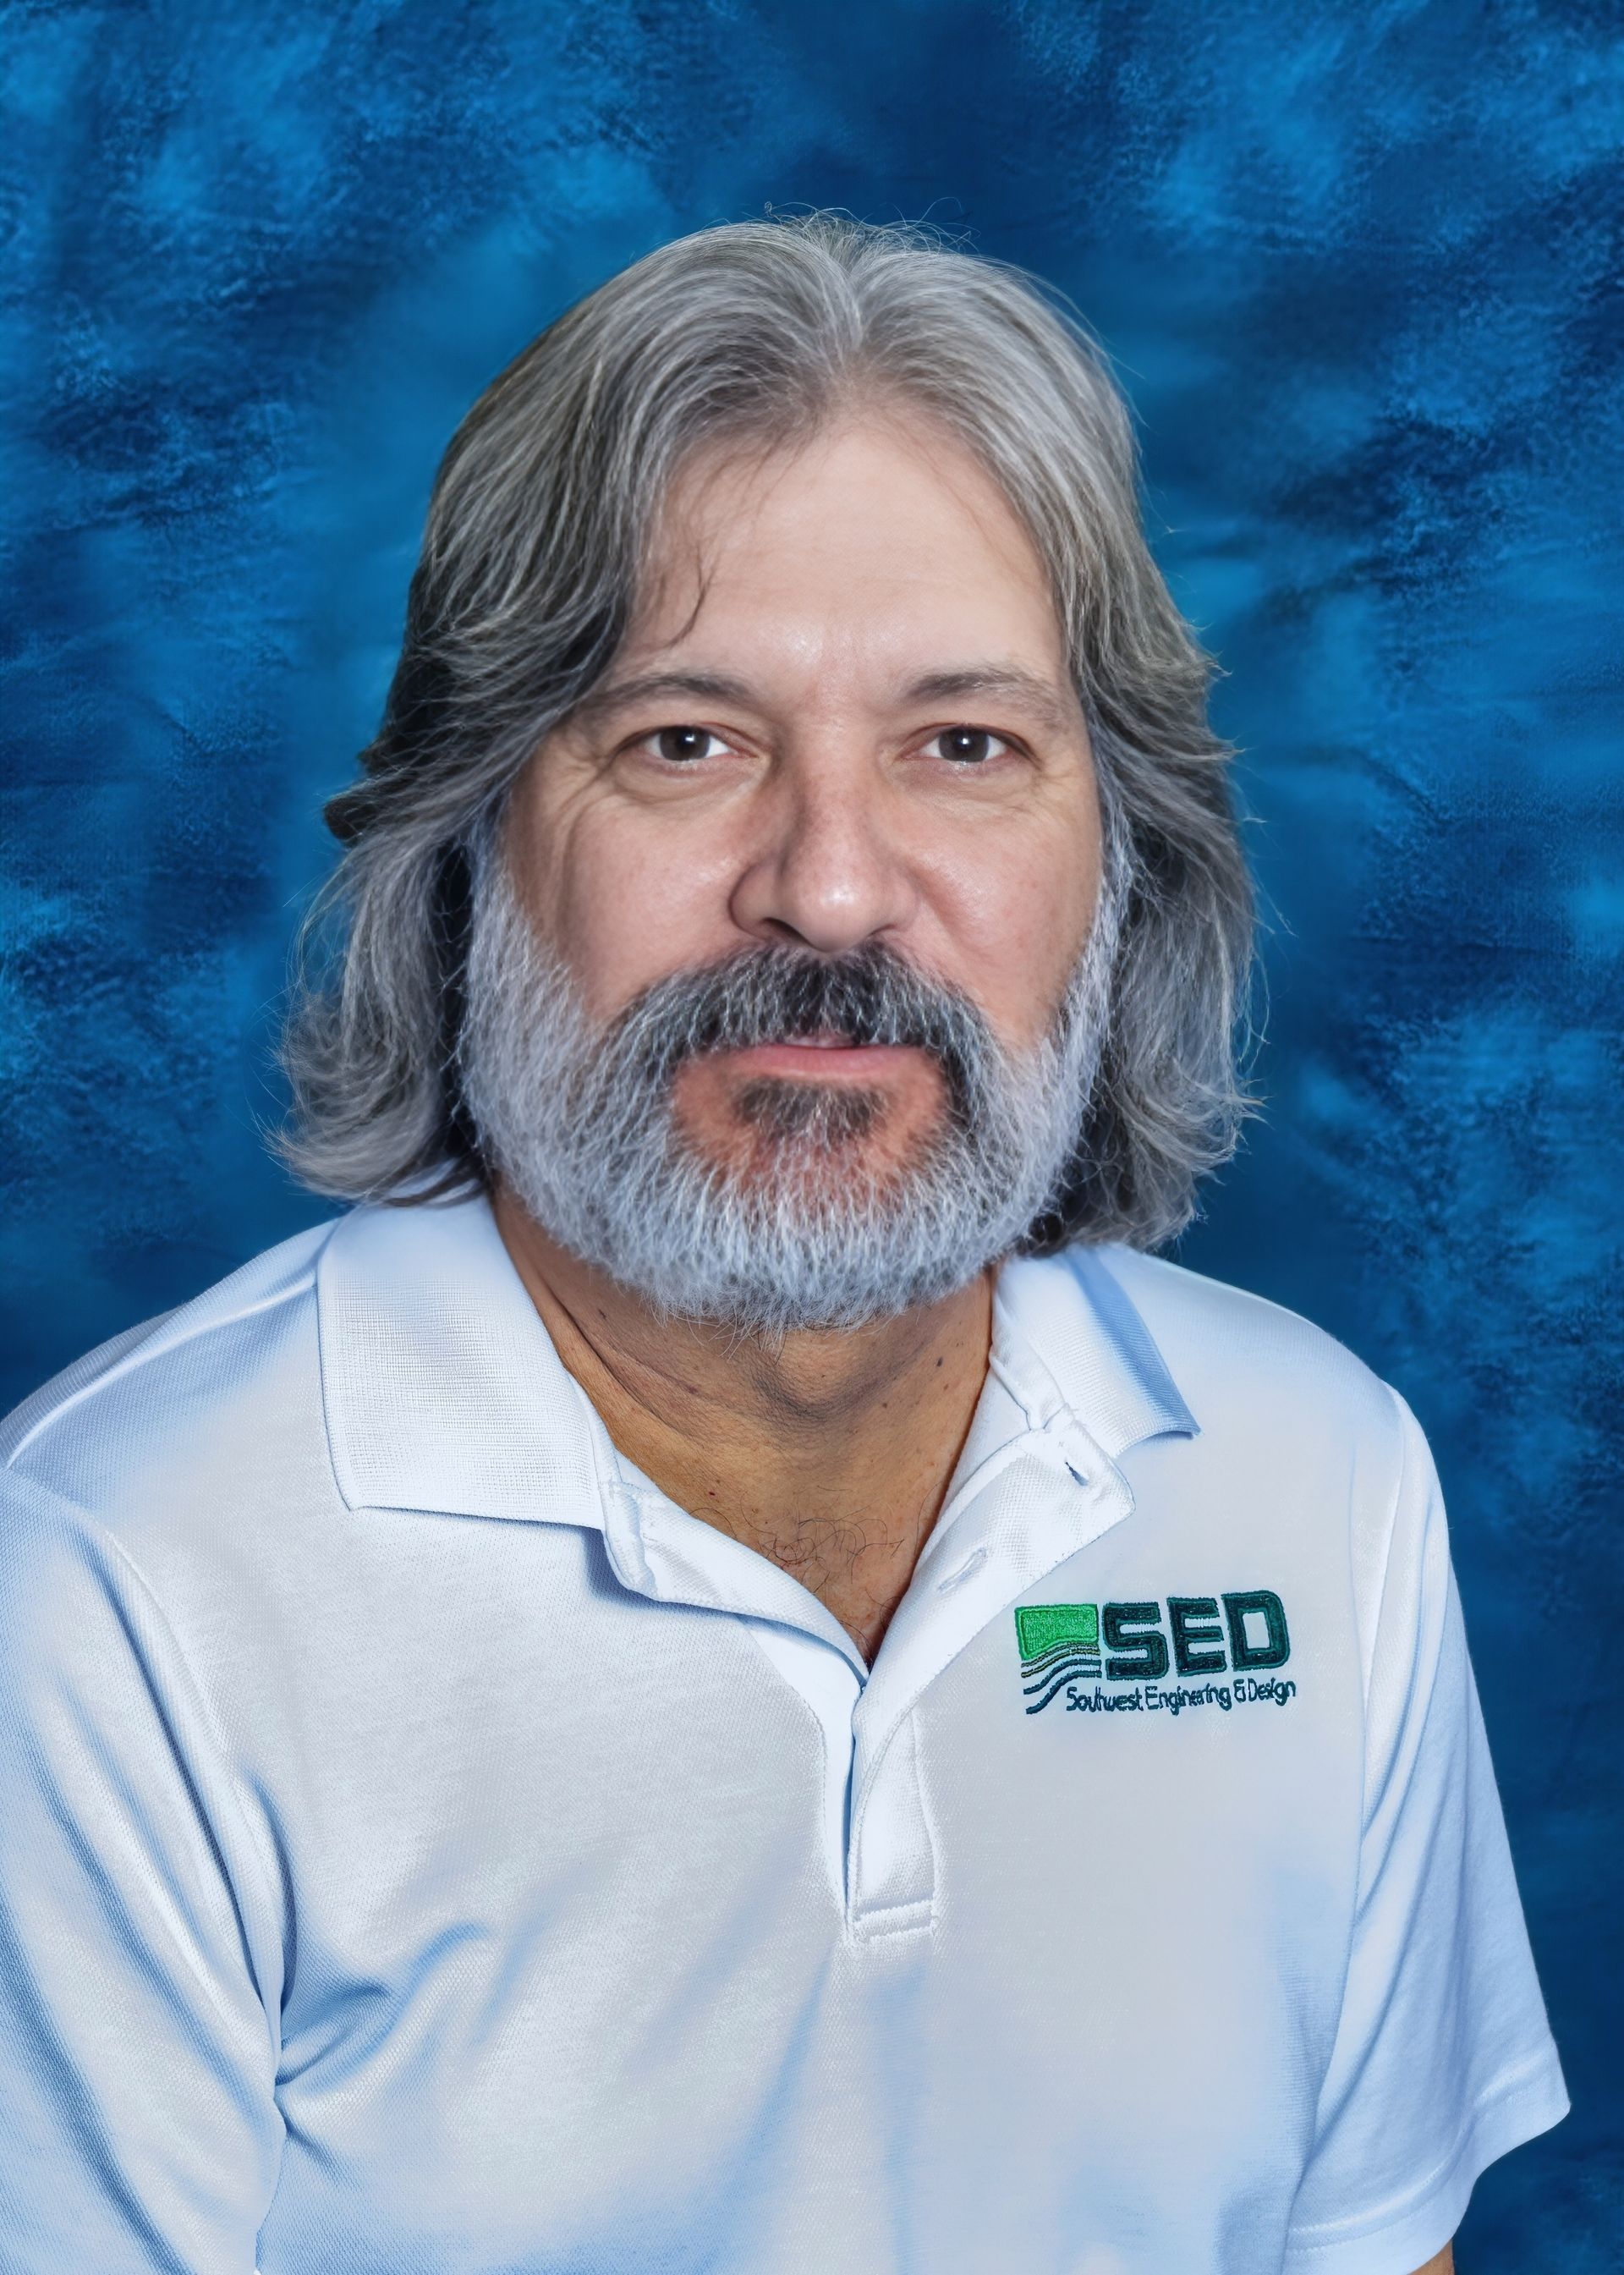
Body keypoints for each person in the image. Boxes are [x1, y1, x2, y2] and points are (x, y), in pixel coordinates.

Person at [0, 212, 1566, 2275]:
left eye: (964, 745)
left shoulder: (1310, 1476)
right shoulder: (114, 1585)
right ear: (469, 848)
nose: (831, 891)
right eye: (685, 740)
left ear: (1126, 861)